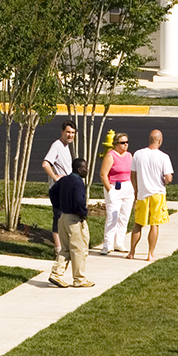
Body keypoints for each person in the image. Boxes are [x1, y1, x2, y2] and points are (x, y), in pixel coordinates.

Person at [127, 129, 174, 260]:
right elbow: (168, 178)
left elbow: (133, 174)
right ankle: (150, 253)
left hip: (142, 194)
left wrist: (136, 189)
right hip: (158, 194)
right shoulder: (164, 157)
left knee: (138, 224)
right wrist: (165, 181)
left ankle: (131, 252)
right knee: (154, 224)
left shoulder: (138, 154)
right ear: (160, 140)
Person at [48, 158, 94, 288]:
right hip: (74, 220)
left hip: (62, 217)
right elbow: (79, 201)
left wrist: (58, 205)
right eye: (85, 168)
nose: (87, 170)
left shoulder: (64, 180)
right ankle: (79, 278)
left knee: (65, 249)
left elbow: (52, 192)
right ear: (79, 169)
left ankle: (56, 274)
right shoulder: (78, 182)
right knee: (79, 248)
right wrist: (83, 213)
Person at [98, 131, 134, 255]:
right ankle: (107, 244)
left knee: (124, 216)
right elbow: (103, 174)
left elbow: (132, 173)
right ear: (116, 144)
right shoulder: (111, 155)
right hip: (115, 186)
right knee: (113, 217)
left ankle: (119, 242)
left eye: (127, 142)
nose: (125, 145)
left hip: (127, 187)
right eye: (122, 143)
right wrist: (110, 190)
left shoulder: (129, 156)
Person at [42, 123, 76, 252]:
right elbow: (45, 164)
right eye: (68, 132)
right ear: (62, 132)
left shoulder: (65, 146)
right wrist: (55, 176)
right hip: (58, 189)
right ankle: (58, 249)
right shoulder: (56, 146)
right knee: (59, 217)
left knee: (66, 218)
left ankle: (64, 246)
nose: (70, 135)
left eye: (72, 133)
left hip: (66, 188)